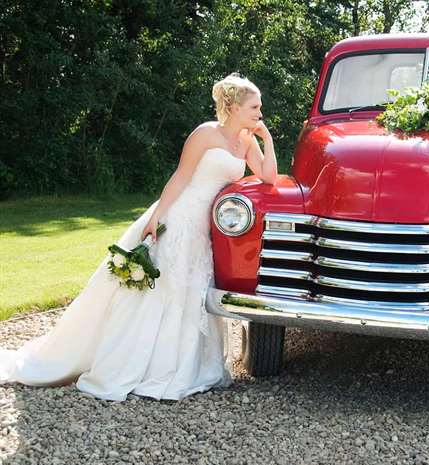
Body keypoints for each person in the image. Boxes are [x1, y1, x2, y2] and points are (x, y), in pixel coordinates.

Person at [0, 73, 278, 401]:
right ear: (232, 107)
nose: (260, 112)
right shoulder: (205, 134)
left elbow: (269, 176)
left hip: (205, 230)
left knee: (190, 293)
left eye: (259, 107)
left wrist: (267, 138)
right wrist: (158, 216)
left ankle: (183, 365)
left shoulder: (246, 142)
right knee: (162, 292)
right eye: (254, 107)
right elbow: (181, 177)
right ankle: (135, 364)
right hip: (179, 218)